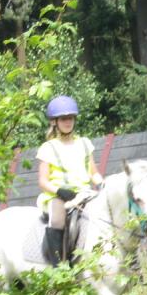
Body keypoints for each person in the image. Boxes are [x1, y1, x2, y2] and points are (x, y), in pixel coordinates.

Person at [37, 95, 104, 266]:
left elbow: (93, 173)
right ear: (55, 122)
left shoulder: (84, 143)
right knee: (58, 220)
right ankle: (59, 268)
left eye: (71, 118)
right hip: (59, 196)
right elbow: (43, 181)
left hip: (84, 194)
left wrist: (102, 184)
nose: (68, 122)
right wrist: (60, 191)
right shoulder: (48, 148)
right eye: (64, 119)